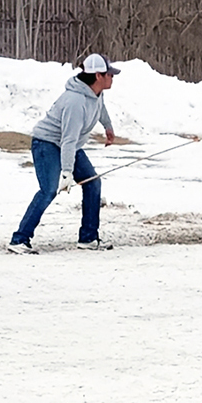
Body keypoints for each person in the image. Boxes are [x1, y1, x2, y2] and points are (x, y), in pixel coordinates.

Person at [8, 53, 120, 254]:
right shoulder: (75, 102)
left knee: (92, 182)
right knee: (49, 190)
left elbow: (100, 108)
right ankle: (19, 240)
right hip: (47, 144)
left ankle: (88, 238)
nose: (112, 77)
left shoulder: (96, 93)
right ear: (98, 76)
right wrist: (67, 173)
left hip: (69, 146)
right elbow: (68, 139)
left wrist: (108, 128)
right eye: (109, 74)